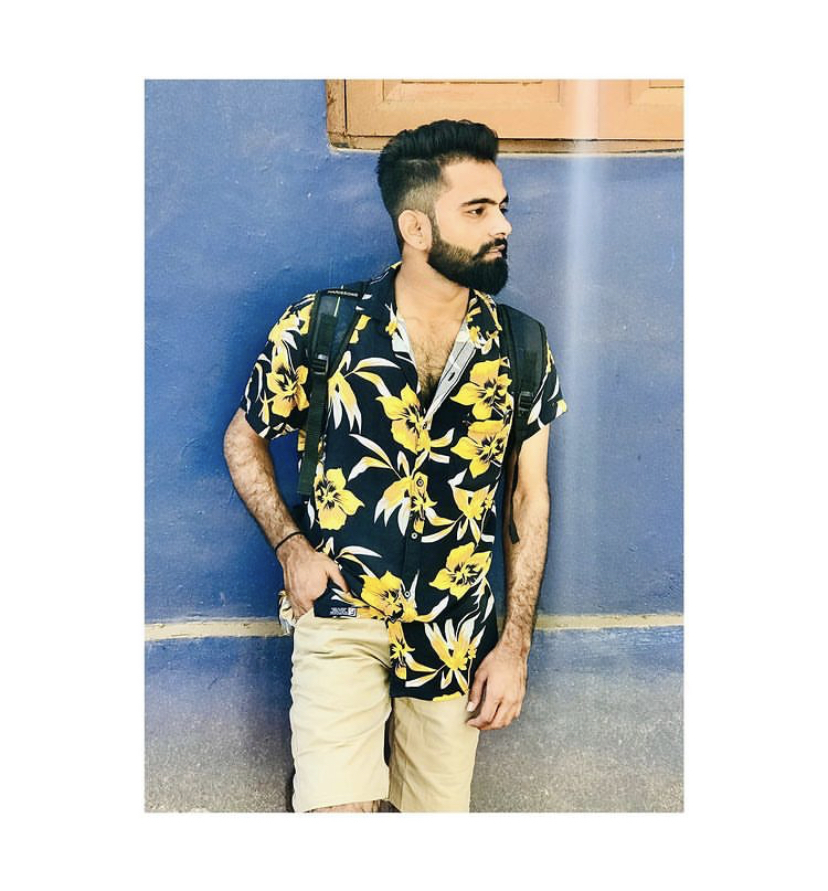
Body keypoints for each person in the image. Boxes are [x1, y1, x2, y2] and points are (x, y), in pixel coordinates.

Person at [223, 119, 568, 813]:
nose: (502, 225)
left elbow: (529, 501)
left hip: (454, 634)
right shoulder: (323, 326)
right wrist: (291, 547)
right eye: (477, 210)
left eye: (502, 207)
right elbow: (242, 439)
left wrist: (514, 648)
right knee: (337, 815)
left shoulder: (523, 347)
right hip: (342, 607)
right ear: (415, 228)